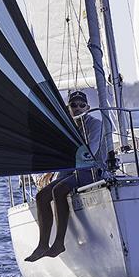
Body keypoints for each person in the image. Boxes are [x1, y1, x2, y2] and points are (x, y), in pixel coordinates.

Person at [25, 91, 102, 262]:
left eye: (82, 105)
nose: (78, 108)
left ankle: (59, 242)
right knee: (41, 195)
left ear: (88, 108)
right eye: (73, 105)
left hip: (90, 171)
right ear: (68, 108)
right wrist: (51, 169)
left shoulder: (94, 124)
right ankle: (43, 244)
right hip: (69, 171)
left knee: (59, 190)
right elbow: (57, 150)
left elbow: (92, 152)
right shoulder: (66, 126)